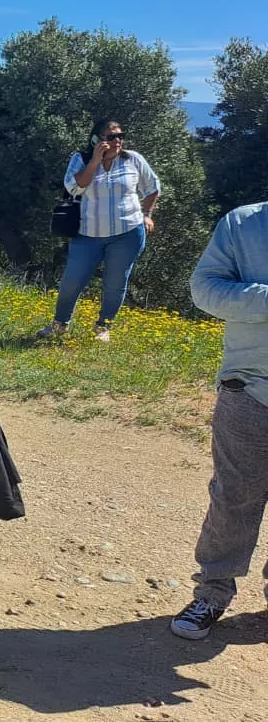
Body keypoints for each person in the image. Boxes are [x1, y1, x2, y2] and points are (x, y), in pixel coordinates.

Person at [170, 201, 268, 640]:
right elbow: (204, 289)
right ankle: (211, 593)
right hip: (249, 386)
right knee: (233, 497)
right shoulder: (243, 223)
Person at [37, 120, 161, 342]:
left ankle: (103, 327)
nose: (117, 141)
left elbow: (153, 187)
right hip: (87, 234)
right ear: (96, 140)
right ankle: (60, 324)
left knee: (115, 282)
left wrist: (147, 215)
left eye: (120, 135)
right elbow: (75, 186)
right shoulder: (80, 159)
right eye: (110, 137)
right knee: (71, 281)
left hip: (128, 233)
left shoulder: (133, 159)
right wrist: (95, 160)